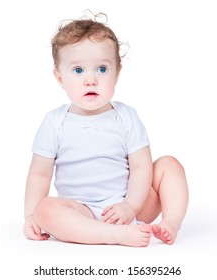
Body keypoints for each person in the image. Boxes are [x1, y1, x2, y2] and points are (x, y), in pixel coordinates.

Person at [23, 14, 188, 247]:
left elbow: (141, 167)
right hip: (82, 211)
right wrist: (31, 216)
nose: (91, 80)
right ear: (60, 77)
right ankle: (111, 235)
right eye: (78, 71)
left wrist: (130, 206)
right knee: (45, 209)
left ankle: (170, 223)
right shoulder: (54, 123)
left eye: (101, 69)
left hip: (133, 203)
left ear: (117, 73)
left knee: (169, 165)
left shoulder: (126, 117)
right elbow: (39, 174)